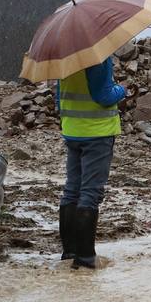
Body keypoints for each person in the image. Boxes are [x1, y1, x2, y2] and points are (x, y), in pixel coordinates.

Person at [58, 56, 125, 269]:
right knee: (90, 193)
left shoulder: (65, 56)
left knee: (72, 190)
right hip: (96, 131)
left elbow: (59, 96)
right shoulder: (97, 57)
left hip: (72, 130)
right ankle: (86, 259)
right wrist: (122, 90)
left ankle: (70, 253)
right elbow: (103, 96)